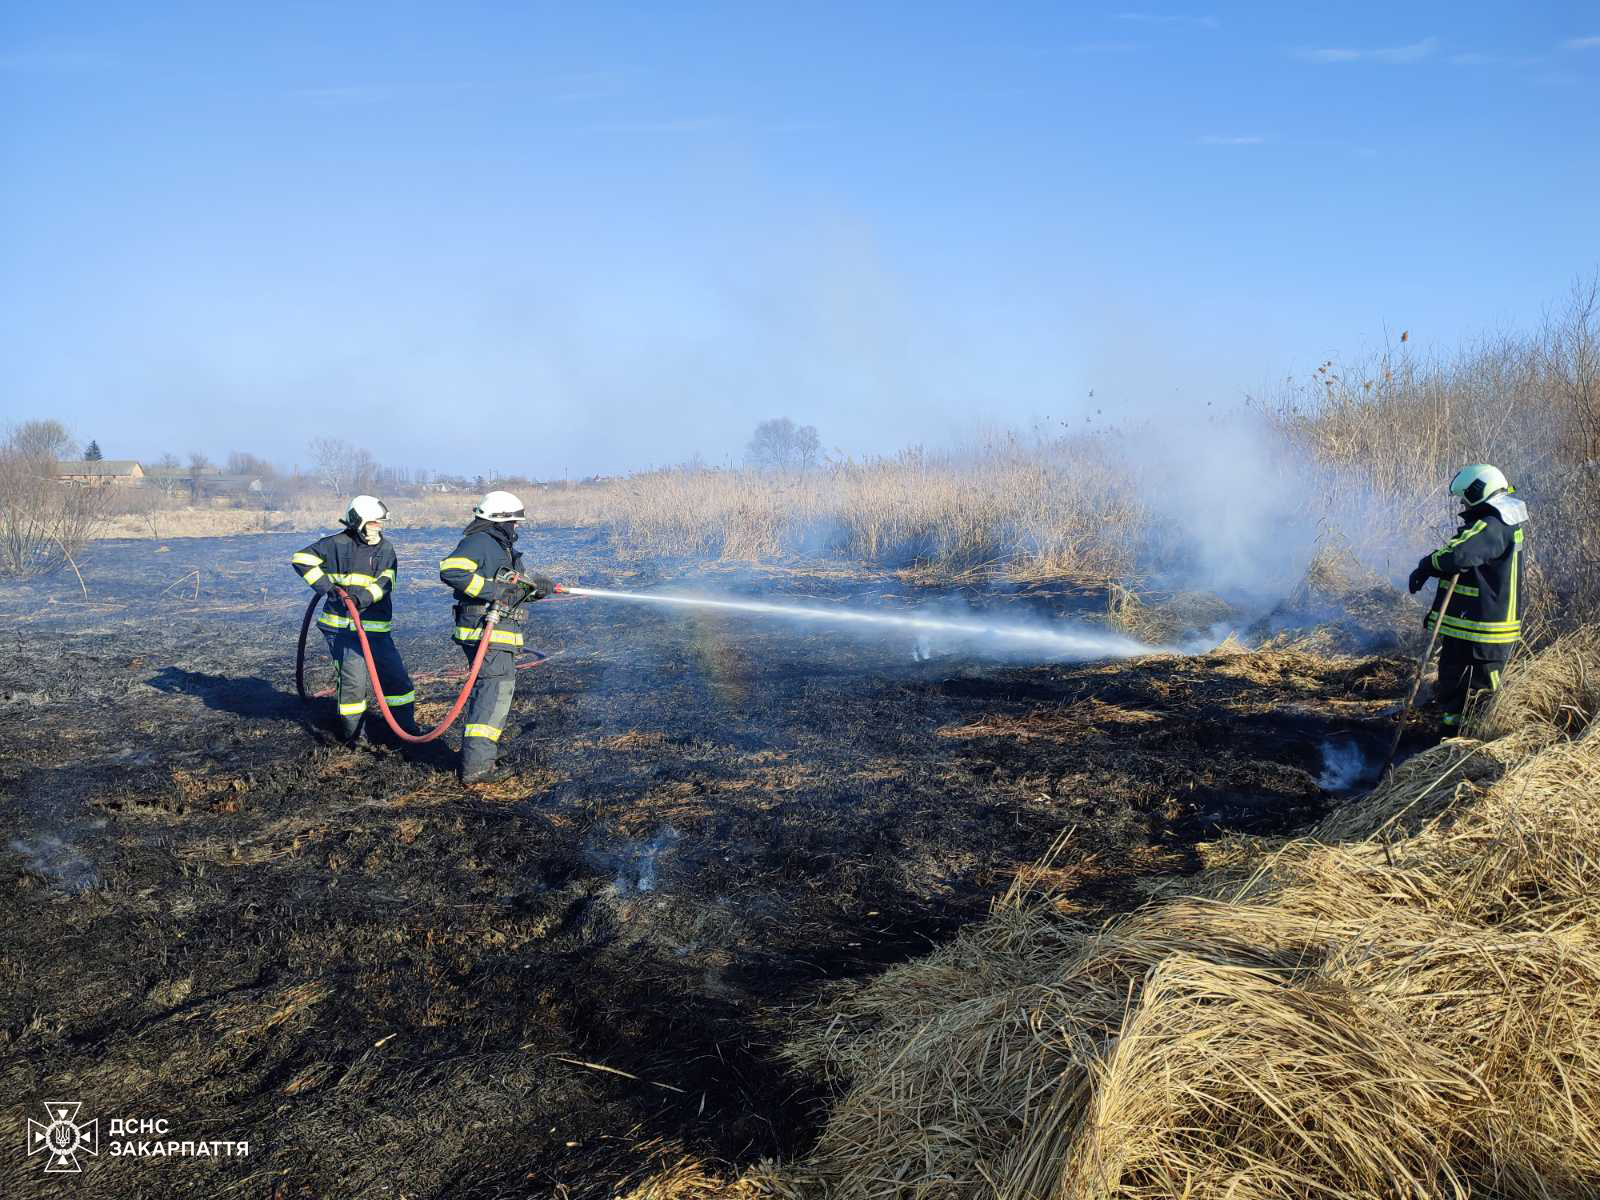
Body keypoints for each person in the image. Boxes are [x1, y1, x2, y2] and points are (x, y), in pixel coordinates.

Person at [438, 491, 555, 784]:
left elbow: (514, 589)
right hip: (485, 630)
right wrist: (494, 591)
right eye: (513, 521)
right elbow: (451, 570)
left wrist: (536, 589)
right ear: (499, 520)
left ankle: (480, 756)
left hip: (497, 632)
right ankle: (477, 767)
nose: (517, 527)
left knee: (492, 692)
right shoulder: (480, 542)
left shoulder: (501, 548)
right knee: (493, 694)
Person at [1408, 463, 1528, 732]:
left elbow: (1459, 554)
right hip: (1469, 627)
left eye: (1465, 496)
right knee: (1454, 687)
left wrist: (1426, 565)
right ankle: (1450, 738)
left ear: (1478, 491)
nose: (1463, 502)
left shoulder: (1494, 524)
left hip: (1486, 631)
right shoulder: (1493, 521)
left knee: (1478, 695)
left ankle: (1469, 749)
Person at [291, 496, 420, 743]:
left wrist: (361, 599)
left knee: (396, 679)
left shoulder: (386, 548)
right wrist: (329, 588)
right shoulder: (335, 544)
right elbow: (301, 559)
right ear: (358, 522)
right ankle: (354, 737)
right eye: (373, 523)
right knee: (353, 684)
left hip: (376, 630)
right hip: (341, 630)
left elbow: (387, 581)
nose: (378, 528)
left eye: (380, 523)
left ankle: (405, 728)